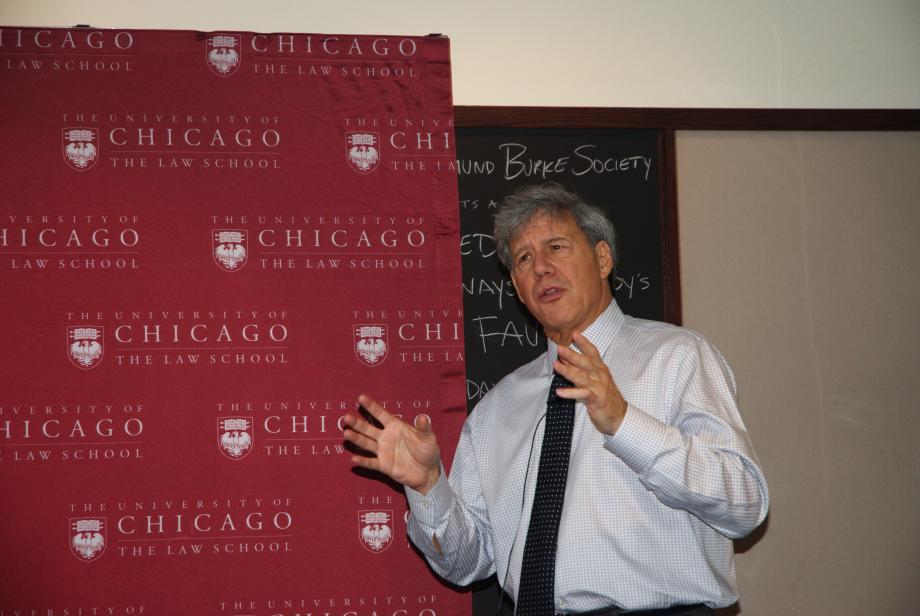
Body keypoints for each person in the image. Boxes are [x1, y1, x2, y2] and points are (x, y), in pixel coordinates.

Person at [343, 183, 769, 615]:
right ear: (516, 286)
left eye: (556, 247)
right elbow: (466, 563)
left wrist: (624, 422)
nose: (541, 268)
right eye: (524, 259)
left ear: (603, 259)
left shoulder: (677, 357)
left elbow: (745, 505)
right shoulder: (499, 407)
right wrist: (428, 486)